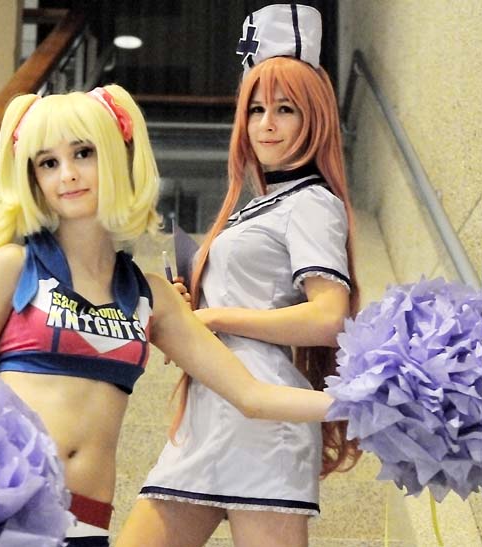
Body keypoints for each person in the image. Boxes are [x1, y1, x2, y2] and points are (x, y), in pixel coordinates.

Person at [0, 83, 337, 547]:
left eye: (83, 153)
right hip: (1, 502)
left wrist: (367, 404)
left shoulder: (150, 295)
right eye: (48, 162)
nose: (67, 174)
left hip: (85, 520)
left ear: (114, 157)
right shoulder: (14, 267)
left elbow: (251, 396)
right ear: (33, 178)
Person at [116, 5, 361, 547]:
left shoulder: (313, 203)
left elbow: (328, 317)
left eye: (285, 109)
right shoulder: (263, 205)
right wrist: (190, 309)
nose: (266, 124)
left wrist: (215, 315)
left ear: (315, 116)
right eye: (255, 109)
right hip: (216, 399)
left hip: (261, 412)